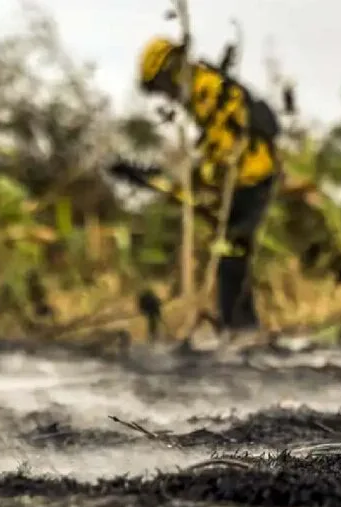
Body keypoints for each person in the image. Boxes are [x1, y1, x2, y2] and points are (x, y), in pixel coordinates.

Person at [134, 36, 282, 333]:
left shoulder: (207, 87)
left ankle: (241, 328)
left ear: (173, 70)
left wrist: (208, 173)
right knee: (229, 255)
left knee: (233, 253)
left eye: (162, 84)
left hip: (253, 178)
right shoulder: (196, 95)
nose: (165, 94)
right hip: (239, 181)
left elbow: (228, 138)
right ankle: (238, 325)